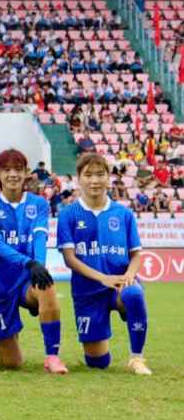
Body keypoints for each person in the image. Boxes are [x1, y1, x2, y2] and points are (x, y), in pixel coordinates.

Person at [56, 153, 151, 375]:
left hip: (118, 285)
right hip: (87, 292)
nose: (95, 180)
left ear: (108, 178)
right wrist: (102, 278)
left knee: (134, 294)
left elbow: (136, 255)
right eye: (88, 175)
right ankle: (100, 347)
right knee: (98, 363)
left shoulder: (123, 214)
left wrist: (129, 275)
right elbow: (70, 258)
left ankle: (137, 358)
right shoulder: (69, 214)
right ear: (79, 179)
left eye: (100, 174)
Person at [0, 148, 66, 373]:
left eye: (18, 169)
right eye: (6, 170)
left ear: (27, 173)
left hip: (27, 280)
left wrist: (39, 265)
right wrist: (29, 262)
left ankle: (52, 357)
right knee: (11, 363)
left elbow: (39, 236)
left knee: (47, 287)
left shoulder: (38, 204)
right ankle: (8, 337)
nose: (13, 175)